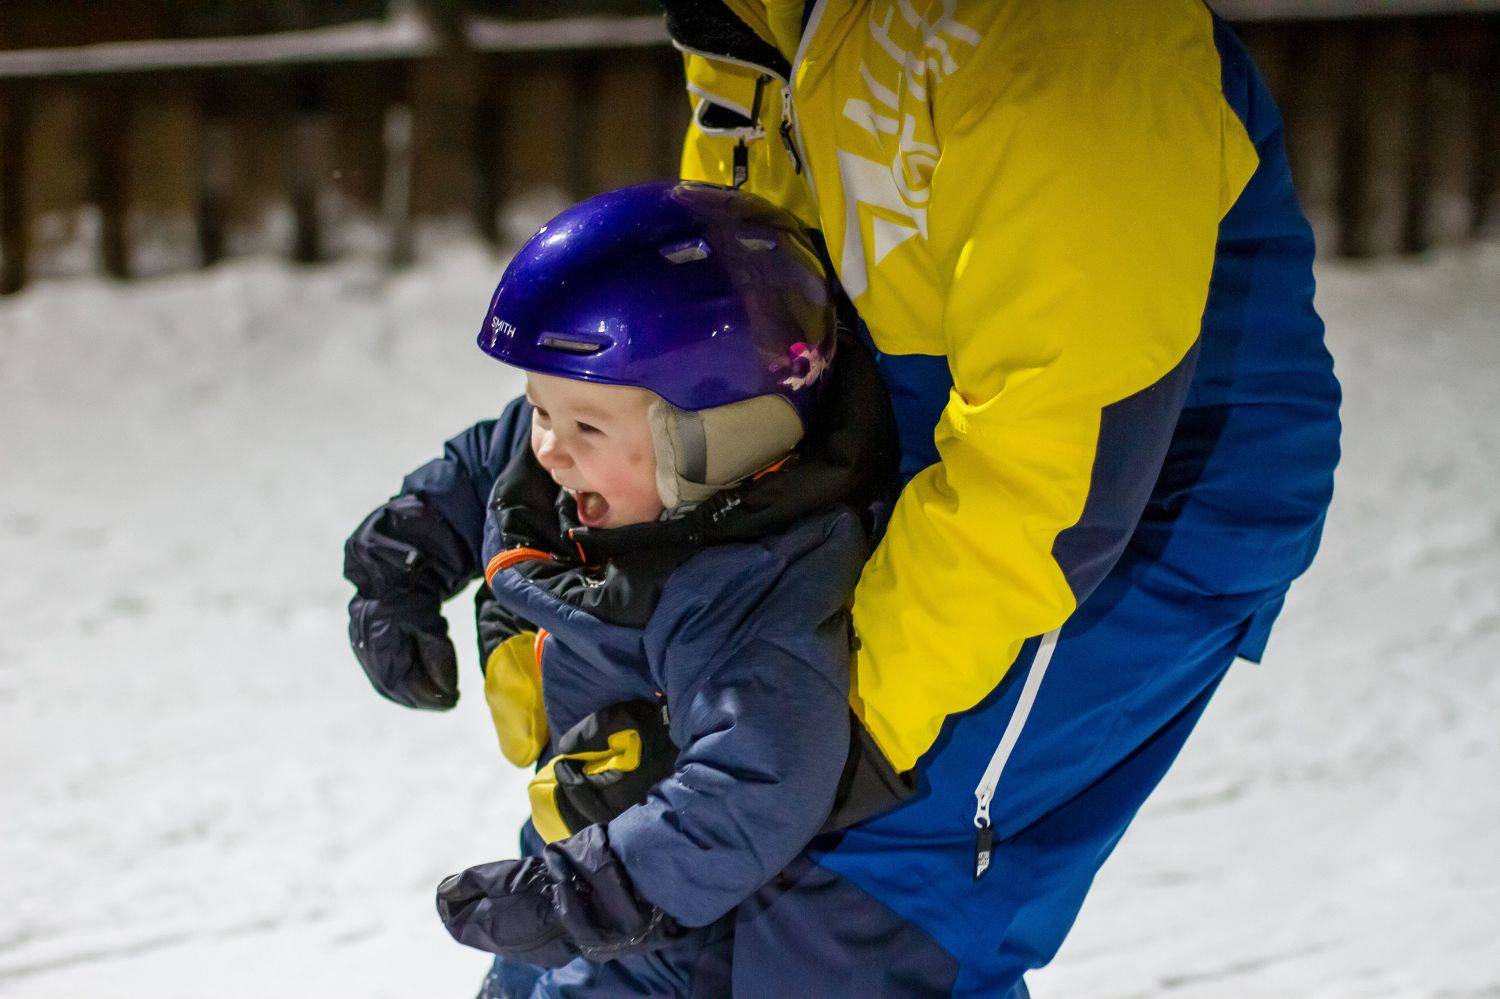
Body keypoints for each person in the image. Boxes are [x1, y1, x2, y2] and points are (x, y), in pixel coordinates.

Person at [349, 1, 1343, 994]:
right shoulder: (760, 11)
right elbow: (713, 348)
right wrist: (471, 513)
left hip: (1121, 484)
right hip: (881, 433)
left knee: (846, 888)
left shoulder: (1063, 32)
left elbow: (1055, 464)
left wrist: (817, 746)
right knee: (636, 830)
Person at [344, 181, 906, 996]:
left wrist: (586, 893)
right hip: (578, 852)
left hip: (663, 915)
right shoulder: (576, 465)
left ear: (720, 438)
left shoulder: (750, 588)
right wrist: (396, 568)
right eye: (540, 409)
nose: (547, 448)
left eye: (584, 427)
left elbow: (757, 783)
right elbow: (480, 469)